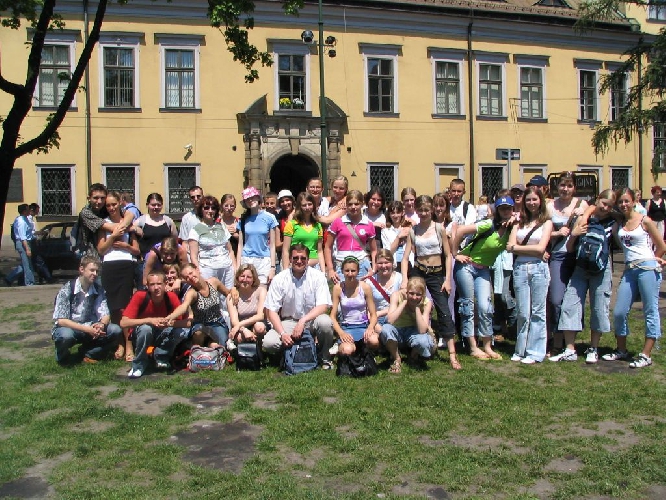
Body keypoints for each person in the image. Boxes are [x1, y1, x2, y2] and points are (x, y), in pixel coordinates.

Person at [603, 188, 666, 368]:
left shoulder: (645, 220)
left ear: (634, 201)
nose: (623, 204)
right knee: (619, 311)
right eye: (620, 202)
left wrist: (654, 260)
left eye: (626, 201)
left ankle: (646, 354)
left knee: (650, 310)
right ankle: (621, 349)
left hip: (647, 269)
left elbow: (661, 246)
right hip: (629, 270)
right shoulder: (620, 223)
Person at [553, 189, 617, 364]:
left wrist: (589, 210)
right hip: (580, 267)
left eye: (610, 206)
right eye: (604, 203)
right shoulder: (583, 219)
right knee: (570, 303)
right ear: (598, 199)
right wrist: (575, 234)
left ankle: (593, 348)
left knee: (599, 307)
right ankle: (570, 349)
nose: (605, 208)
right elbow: (570, 248)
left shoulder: (613, 221)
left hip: (601, 269)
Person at [452, 195, 516, 360]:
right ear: (497, 210)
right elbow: (460, 230)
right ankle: (473, 346)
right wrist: (455, 254)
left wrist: (516, 221)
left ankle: (487, 345)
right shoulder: (488, 224)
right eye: (502, 209)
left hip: (484, 269)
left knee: (485, 306)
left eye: (508, 208)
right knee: (468, 305)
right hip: (467, 266)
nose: (505, 211)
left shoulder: (512, 228)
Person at [403, 195, 458, 369]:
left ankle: (452, 354)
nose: (424, 213)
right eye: (420, 210)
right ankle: (416, 348)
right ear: (416, 211)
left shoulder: (439, 228)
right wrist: (405, 279)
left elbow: (448, 255)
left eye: (427, 210)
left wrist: (447, 279)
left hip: (436, 273)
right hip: (419, 271)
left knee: (444, 311)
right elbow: (405, 257)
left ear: (432, 210)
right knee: (415, 307)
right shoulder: (413, 230)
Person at [263, 243, 336, 369]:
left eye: (303, 258)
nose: (299, 261)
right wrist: (282, 334)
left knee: (325, 322)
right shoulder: (279, 278)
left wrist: (303, 321)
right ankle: (289, 354)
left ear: (308, 260)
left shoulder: (318, 277)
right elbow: (272, 311)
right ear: (290, 259)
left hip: (311, 321)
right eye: (295, 258)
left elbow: (323, 306)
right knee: (269, 343)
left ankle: (325, 358)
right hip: (288, 321)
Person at [507, 187, 553, 364]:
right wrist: (529, 250)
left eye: (535, 199)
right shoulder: (518, 222)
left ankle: (535, 352)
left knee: (538, 312)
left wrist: (518, 248)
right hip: (520, 268)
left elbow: (541, 248)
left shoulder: (546, 223)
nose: (531, 203)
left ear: (540, 201)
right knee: (523, 312)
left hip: (539, 269)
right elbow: (509, 246)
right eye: (528, 200)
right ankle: (520, 350)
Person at [546, 172, 589, 354]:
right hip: (557, 256)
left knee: (574, 300)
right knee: (556, 299)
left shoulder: (581, 204)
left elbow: (594, 214)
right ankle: (557, 340)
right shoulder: (550, 206)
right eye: (562, 185)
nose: (565, 189)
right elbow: (541, 230)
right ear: (557, 187)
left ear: (574, 188)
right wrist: (557, 233)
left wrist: (584, 214)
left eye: (569, 186)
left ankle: (570, 341)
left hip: (577, 257)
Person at [52, 256, 122, 365]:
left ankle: (88, 353)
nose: (95, 274)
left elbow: (105, 313)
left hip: (90, 326)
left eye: (97, 271)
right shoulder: (67, 289)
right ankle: (62, 356)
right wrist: (86, 329)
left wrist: (101, 324)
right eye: (92, 270)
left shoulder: (98, 289)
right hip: (70, 327)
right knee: (65, 336)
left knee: (115, 330)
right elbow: (61, 320)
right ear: (81, 269)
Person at [120, 270, 190, 378]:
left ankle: (161, 357)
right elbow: (123, 323)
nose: (156, 287)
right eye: (152, 284)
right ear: (147, 286)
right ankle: (138, 365)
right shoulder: (140, 296)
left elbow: (187, 323)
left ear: (165, 284)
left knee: (182, 332)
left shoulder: (171, 297)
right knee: (146, 329)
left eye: (159, 284)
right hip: (142, 334)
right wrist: (149, 320)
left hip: (163, 332)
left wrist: (168, 323)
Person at [97, 191, 140, 361]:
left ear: (120, 203)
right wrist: (113, 237)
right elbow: (101, 249)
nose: (111, 208)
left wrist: (125, 246)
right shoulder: (103, 224)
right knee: (114, 307)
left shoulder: (128, 223)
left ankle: (129, 344)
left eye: (114, 204)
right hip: (109, 266)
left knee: (125, 307)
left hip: (125, 265)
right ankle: (120, 342)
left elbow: (136, 250)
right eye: (108, 205)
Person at [166, 264, 230, 347]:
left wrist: (234, 290)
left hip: (218, 323)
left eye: (191, 273)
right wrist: (170, 317)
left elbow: (228, 293)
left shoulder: (213, 282)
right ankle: (198, 349)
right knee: (198, 333)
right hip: (201, 325)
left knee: (222, 347)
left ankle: (210, 344)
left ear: (197, 270)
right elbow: (184, 306)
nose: (190, 277)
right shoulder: (192, 293)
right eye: (186, 277)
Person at [380, 276, 435, 373]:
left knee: (424, 341)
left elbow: (422, 330)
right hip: (397, 329)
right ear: (406, 291)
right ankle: (396, 358)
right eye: (411, 293)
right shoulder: (396, 295)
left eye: (418, 294)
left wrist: (416, 308)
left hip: (414, 331)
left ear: (423, 294)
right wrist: (404, 302)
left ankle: (413, 356)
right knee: (385, 329)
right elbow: (390, 320)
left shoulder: (427, 302)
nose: (414, 297)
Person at [330, 256, 379, 357]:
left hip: (363, 325)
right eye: (347, 271)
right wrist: (341, 333)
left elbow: (373, 314)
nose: (350, 274)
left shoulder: (365, 287)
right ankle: (351, 350)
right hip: (347, 326)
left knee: (374, 341)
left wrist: (370, 327)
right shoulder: (338, 288)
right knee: (347, 350)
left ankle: (367, 354)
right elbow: (332, 316)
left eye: (353, 271)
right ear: (342, 271)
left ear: (358, 271)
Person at [325, 190, 377, 283]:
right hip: (342, 264)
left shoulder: (368, 224)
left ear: (362, 204)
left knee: (362, 291)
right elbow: (328, 247)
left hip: (362, 264)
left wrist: (373, 269)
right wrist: (330, 269)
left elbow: (374, 250)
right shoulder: (338, 222)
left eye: (356, 204)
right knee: (341, 291)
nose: (353, 207)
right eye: (350, 204)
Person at [76, 183, 134, 259]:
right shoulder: (86, 213)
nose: (99, 201)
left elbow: (130, 214)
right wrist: (132, 228)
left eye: (102, 198)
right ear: (89, 198)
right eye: (95, 198)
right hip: (91, 255)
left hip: (108, 255)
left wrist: (124, 225)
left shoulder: (106, 207)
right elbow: (111, 227)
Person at [188, 195, 235, 290]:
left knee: (228, 296)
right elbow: (193, 256)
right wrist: (198, 273)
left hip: (227, 270)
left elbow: (230, 251)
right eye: (206, 208)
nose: (210, 211)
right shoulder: (195, 230)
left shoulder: (221, 226)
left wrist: (234, 268)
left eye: (213, 208)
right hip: (207, 271)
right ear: (201, 210)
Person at [237, 186, 278, 286]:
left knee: (263, 289)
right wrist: (238, 266)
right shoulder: (243, 220)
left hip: (264, 260)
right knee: (247, 289)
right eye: (247, 199)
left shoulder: (270, 218)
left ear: (258, 198)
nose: (250, 200)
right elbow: (240, 245)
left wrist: (272, 267)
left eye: (252, 197)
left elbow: (272, 245)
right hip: (246, 259)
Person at [227, 264, 267, 347]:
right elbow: (234, 321)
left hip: (256, 323)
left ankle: (259, 349)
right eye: (242, 276)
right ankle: (242, 353)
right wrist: (244, 330)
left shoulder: (261, 291)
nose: (245, 279)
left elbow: (261, 316)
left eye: (249, 277)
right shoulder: (232, 295)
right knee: (239, 337)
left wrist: (239, 325)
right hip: (241, 326)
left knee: (260, 328)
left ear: (254, 279)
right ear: (237, 277)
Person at [282, 192, 325, 270]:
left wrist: (323, 271)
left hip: (315, 267)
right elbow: (285, 250)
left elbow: (319, 251)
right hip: (296, 265)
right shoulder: (291, 224)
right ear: (299, 207)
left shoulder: (318, 225)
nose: (307, 207)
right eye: (304, 205)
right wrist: (285, 270)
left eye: (310, 204)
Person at [365, 249, 403, 331]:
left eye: (386, 262)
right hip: (376, 319)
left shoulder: (400, 279)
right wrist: (374, 324)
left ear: (392, 263)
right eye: (380, 263)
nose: (383, 266)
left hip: (396, 317)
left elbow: (403, 304)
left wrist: (380, 313)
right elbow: (366, 307)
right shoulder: (370, 282)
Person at [133, 193, 178, 261]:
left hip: (165, 260)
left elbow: (174, 240)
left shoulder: (168, 221)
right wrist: (134, 228)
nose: (156, 207)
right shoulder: (140, 222)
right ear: (147, 205)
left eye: (159, 205)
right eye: (153, 205)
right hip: (146, 260)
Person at [5, 204, 35, 286]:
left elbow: (29, 232)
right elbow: (22, 237)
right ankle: (29, 282)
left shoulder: (25, 219)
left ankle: (9, 278)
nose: (30, 211)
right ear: (24, 211)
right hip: (23, 244)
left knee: (25, 263)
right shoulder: (21, 221)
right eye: (28, 209)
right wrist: (27, 249)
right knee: (27, 265)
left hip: (26, 242)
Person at [381, 200, 412, 272]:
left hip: (408, 262)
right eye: (392, 213)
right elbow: (388, 251)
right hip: (395, 263)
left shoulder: (408, 228)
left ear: (402, 213)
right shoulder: (385, 231)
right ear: (389, 214)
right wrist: (398, 237)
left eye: (398, 212)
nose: (395, 215)